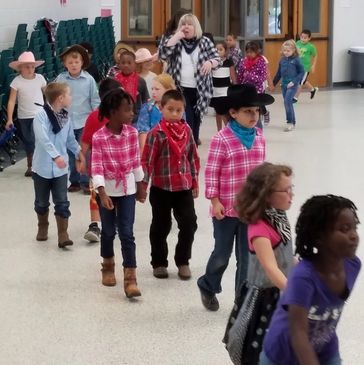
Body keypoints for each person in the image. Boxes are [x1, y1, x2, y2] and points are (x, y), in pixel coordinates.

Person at [197, 84, 274, 312]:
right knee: (222, 254)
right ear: (233, 113)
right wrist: (215, 200)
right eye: (248, 111)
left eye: (257, 111)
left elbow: (262, 173)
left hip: (251, 210)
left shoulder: (259, 137)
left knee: (247, 257)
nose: (254, 116)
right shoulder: (222, 139)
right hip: (226, 209)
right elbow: (211, 172)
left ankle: (242, 300)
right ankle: (208, 285)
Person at [260, 194, 361, 365]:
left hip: (325, 349)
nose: (353, 236)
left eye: (354, 228)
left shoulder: (353, 266)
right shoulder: (303, 277)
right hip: (282, 355)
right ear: (319, 237)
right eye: (344, 229)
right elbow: (298, 332)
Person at [223, 162, 295, 365]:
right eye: (286, 190)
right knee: (259, 351)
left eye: (292, 188)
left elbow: (285, 258)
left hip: (281, 290)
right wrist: (294, 292)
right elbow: (270, 268)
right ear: (267, 195)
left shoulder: (279, 218)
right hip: (265, 299)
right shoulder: (260, 230)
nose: (292, 194)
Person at [91, 87, 146, 298]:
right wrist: (102, 194)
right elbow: (96, 167)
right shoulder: (99, 137)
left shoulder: (132, 133)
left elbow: (135, 161)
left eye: (132, 110)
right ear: (113, 112)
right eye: (127, 110)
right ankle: (107, 266)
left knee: (127, 232)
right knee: (107, 231)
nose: (132, 114)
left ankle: (130, 278)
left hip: (128, 190)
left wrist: (141, 186)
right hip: (107, 190)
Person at [141, 89, 200, 280]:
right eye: (170, 109)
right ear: (161, 108)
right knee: (161, 225)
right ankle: (158, 262)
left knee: (190, 223)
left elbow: (192, 157)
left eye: (179, 110)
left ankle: (183, 260)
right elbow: (147, 161)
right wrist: (143, 185)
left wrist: (195, 180)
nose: (174, 114)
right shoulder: (156, 133)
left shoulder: (188, 131)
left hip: (183, 187)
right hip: (161, 188)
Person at [32, 82, 83, 248]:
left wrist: (78, 152)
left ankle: (63, 233)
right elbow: (42, 138)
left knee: (62, 201)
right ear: (60, 98)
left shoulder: (66, 117)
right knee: (41, 201)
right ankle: (43, 226)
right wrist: (55, 156)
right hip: (42, 167)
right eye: (69, 95)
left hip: (61, 170)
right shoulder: (40, 116)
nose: (71, 98)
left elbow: (69, 139)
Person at [158, 13, 221, 144]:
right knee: (187, 120)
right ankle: (185, 149)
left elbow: (217, 59)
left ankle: (192, 151)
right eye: (183, 24)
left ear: (195, 27)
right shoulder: (175, 40)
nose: (186, 27)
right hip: (180, 89)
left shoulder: (204, 41)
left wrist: (210, 63)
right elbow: (163, 55)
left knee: (196, 123)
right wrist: (176, 37)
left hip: (201, 90)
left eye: (189, 24)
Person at [79, 78, 121, 243]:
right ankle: (95, 224)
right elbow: (86, 141)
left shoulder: (121, 115)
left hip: (116, 166)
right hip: (99, 165)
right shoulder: (95, 116)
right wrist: (81, 159)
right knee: (97, 194)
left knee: (107, 194)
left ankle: (108, 222)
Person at [56, 44, 100, 193]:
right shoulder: (61, 79)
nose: (73, 65)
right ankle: (73, 180)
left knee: (84, 151)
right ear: (65, 64)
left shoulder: (89, 80)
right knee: (69, 151)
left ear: (82, 63)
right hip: (65, 122)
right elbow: (55, 99)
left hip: (84, 122)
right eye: (70, 63)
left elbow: (95, 100)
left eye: (76, 62)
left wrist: (97, 117)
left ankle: (86, 180)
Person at [6, 51, 46, 176]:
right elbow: (12, 101)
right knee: (28, 140)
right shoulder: (16, 82)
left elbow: (48, 94)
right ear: (20, 68)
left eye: (32, 66)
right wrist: (9, 119)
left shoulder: (40, 79)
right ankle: (31, 164)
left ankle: (36, 165)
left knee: (36, 139)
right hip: (24, 116)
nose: (30, 69)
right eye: (27, 67)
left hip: (38, 115)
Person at [135, 73, 176, 152]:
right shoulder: (147, 108)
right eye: (152, 89)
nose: (153, 92)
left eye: (157, 89)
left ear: (168, 90)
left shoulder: (177, 109)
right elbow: (143, 133)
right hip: (152, 149)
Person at [107, 50, 149, 123]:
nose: (126, 65)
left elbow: (145, 101)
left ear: (135, 64)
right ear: (119, 65)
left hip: (135, 118)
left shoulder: (140, 81)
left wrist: (143, 118)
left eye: (129, 63)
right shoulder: (114, 81)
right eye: (123, 63)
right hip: (118, 118)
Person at [272, 40, 304, 132]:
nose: (285, 52)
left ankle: (289, 122)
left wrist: (294, 82)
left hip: (293, 85)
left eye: (288, 51)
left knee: (287, 101)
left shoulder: (297, 60)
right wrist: (273, 84)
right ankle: (293, 122)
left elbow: (301, 72)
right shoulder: (282, 60)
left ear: (293, 50)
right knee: (288, 103)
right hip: (284, 85)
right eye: (284, 50)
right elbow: (278, 74)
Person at [237, 41, 268, 129]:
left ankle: (258, 131)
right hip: (245, 90)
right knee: (246, 110)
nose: (249, 54)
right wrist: (238, 85)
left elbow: (262, 78)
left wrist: (250, 76)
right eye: (247, 52)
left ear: (257, 51)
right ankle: (247, 128)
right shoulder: (243, 61)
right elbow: (239, 75)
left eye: (251, 52)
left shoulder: (261, 61)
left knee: (255, 111)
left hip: (257, 90)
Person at [210, 41, 236, 131]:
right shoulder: (212, 62)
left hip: (226, 91)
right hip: (215, 91)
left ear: (225, 51)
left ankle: (228, 130)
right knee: (218, 112)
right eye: (216, 50)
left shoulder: (229, 62)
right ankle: (219, 131)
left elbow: (233, 76)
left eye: (220, 49)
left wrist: (235, 88)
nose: (218, 51)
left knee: (225, 112)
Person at [294, 29, 318, 103]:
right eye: (302, 37)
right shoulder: (297, 43)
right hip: (297, 66)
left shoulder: (311, 47)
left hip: (305, 68)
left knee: (300, 82)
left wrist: (313, 65)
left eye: (305, 38)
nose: (303, 39)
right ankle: (313, 90)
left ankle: (295, 98)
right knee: (303, 81)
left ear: (309, 38)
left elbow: (315, 56)